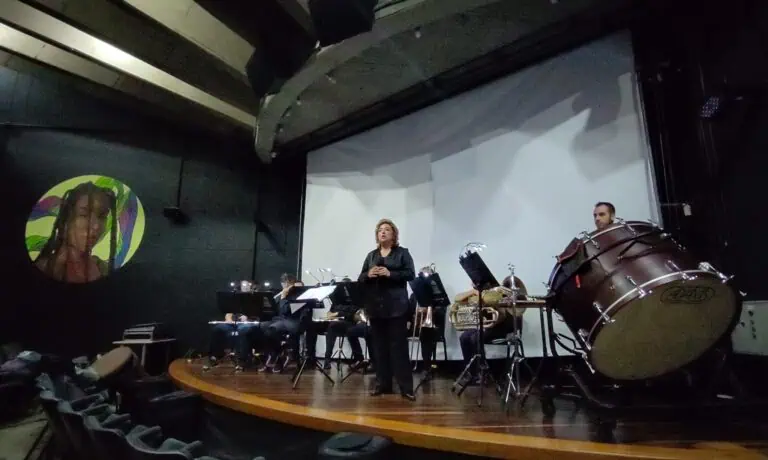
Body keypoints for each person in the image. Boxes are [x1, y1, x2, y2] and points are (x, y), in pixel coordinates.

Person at [359, 218, 416, 401]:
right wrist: (368, 274)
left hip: (396, 307)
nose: (383, 232)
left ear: (394, 235)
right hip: (375, 307)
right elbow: (360, 278)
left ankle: (406, 388)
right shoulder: (371, 256)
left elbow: (410, 274)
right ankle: (383, 385)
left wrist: (390, 273)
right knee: (379, 348)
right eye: (380, 230)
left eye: (387, 230)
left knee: (398, 348)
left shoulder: (402, 253)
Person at [34, 182, 117, 283]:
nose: (96, 226)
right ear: (65, 220)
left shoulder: (103, 269)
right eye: (84, 215)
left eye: (102, 216)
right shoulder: (44, 268)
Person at [457, 275, 528, 384]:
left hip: (502, 328)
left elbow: (501, 317)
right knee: (464, 337)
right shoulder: (483, 294)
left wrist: (484, 297)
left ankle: (483, 372)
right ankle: (473, 373)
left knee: (475, 338)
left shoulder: (495, 294)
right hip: (488, 326)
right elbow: (457, 298)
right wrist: (474, 292)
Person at [259, 273, 306, 373]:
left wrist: (283, 297)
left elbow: (285, 310)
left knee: (271, 330)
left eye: (287, 283)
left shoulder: (299, 296)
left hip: (292, 322)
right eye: (283, 283)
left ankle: (277, 356)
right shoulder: (281, 293)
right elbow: (274, 311)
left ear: (292, 283)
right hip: (279, 320)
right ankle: (272, 354)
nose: (285, 286)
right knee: (261, 326)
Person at [408, 266, 446, 373]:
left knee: (426, 333)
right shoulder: (413, 296)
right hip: (415, 326)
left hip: (432, 327)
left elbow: (441, 312)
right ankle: (402, 365)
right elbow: (408, 311)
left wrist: (430, 310)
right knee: (396, 333)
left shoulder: (438, 296)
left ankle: (426, 367)